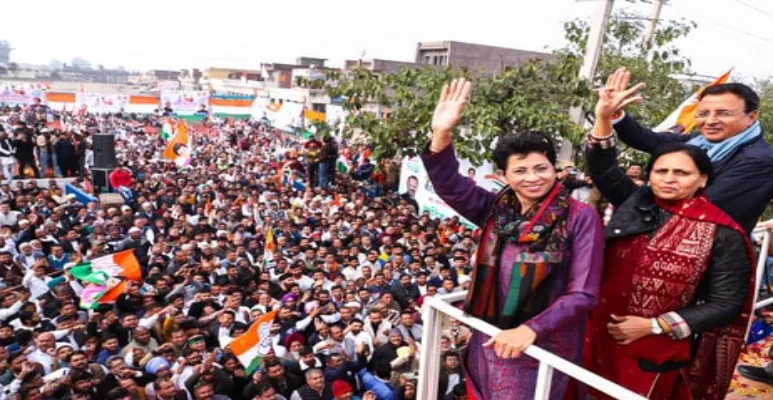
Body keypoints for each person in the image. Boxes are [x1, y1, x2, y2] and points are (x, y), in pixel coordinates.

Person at [422, 78, 604, 399]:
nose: (532, 177)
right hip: (489, 333)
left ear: (556, 169)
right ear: (503, 176)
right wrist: (442, 133)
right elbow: (450, 185)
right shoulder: (496, 208)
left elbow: (583, 293)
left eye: (541, 168)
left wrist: (530, 329)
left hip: (542, 343)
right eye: (520, 171)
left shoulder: (579, 216)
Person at [583, 133, 754, 398]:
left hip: (654, 346)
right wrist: (605, 118)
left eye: (682, 172)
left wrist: (653, 326)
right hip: (596, 334)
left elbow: (727, 304)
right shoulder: (636, 204)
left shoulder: (722, 233)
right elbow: (603, 167)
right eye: (661, 171)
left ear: (703, 179)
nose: (669, 178)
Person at [593, 67, 773, 233]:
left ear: (751, 116)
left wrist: (624, 196)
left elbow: (702, 207)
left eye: (723, 113)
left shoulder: (760, 160)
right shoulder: (696, 141)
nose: (710, 121)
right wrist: (612, 114)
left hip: (711, 255)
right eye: (703, 114)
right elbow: (649, 139)